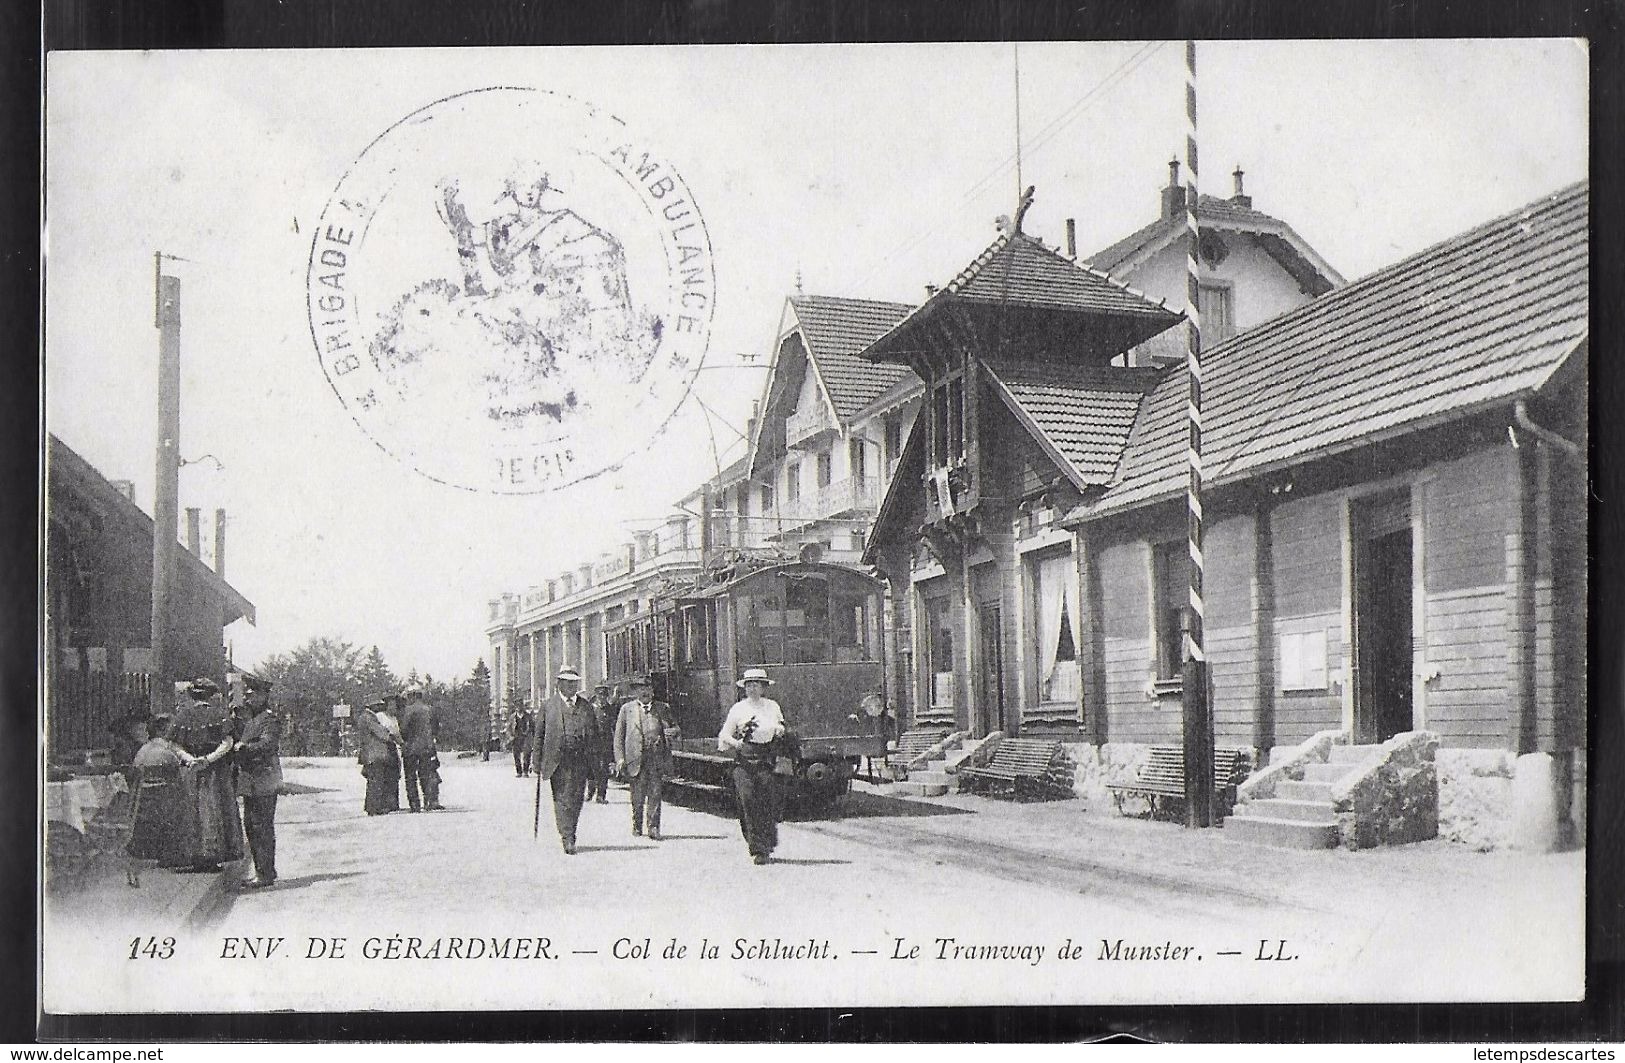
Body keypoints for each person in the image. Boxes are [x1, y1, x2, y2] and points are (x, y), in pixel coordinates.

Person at [171, 677, 244, 871]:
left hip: (191, 770)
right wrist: (209, 759)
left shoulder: (181, 716)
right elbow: (227, 743)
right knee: (213, 809)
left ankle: (193, 857)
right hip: (214, 770)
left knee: (192, 809)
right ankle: (212, 858)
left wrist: (190, 759)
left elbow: (174, 744)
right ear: (210, 696)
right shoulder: (219, 715)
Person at [718, 668, 789, 865]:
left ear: (764, 687)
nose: (752, 688)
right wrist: (736, 744)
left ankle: (765, 844)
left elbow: (782, 726)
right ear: (744, 688)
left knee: (767, 800)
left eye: (756, 684)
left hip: (766, 758)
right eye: (749, 685)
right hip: (744, 761)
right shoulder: (738, 709)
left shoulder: (772, 706)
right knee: (747, 800)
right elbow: (724, 735)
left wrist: (779, 730)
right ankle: (757, 846)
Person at [533, 667, 599, 855]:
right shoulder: (548, 706)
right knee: (562, 799)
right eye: (567, 682)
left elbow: (594, 737)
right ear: (559, 684)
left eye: (574, 683)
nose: (571, 686)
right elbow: (539, 735)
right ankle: (567, 837)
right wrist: (536, 761)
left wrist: (596, 763)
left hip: (580, 760)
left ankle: (571, 832)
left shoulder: (586, 707)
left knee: (577, 799)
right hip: (557, 761)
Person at [127, 714, 200, 870]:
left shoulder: (143, 750)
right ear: (163, 730)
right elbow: (179, 778)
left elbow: (134, 773)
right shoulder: (168, 751)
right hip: (164, 801)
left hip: (143, 800)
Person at [614, 675, 680, 840]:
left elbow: (675, 728)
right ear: (636, 692)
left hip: (655, 758)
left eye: (648, 688)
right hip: (635, 759)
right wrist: (620, 759)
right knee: (637, 795)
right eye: (641, 689)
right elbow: (618, 737)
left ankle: (654, 827)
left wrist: (673, 732)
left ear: (652, 690)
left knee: (655, 793)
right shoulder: (626, 709)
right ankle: (637, 824)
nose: (645, 692)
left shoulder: (662, 708)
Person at [233, 675, 282, 888]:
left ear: (263, 696)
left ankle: (265, 873)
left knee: (262, 826)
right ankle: (262, 871)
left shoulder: (269, 719)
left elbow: (268, 745)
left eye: (251, 694)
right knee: (251, 826)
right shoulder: (249, 719)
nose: (247, 697)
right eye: (246, 694)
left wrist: (245, 748)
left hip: (264, 778)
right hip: (250, 779)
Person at [355, 695, 403, 815]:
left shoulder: (365, 716)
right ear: (372, 705)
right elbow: (380, 733)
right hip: (375, 754)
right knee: (376, 781)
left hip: (370, 753)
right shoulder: (369, 717)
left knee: (374, 781)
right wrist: (391, 737)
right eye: (378, 705)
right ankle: (374, 807)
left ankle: (372, 806)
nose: (380, 707)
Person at [399, 686, 444, 812]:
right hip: (427, 747)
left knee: (410, 777)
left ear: (412, 696)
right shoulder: (430, 709)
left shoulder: (408, 710)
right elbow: (436, 729)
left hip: (411, 748)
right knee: (426, 774)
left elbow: (403, 729)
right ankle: (429, 801)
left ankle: (415, 805)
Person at [586, 682, 618, 803]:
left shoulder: (610, 709)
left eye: (604, 695)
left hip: (606, 743)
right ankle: (590, 792)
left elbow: (614, 725)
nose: (602, 697)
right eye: (600, 695)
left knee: (604, 770)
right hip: (592, 743)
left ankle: (601, 796)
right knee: (592, 769)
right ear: (596, 695)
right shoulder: (591, 709)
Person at [510, 706, 534, 777]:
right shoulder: (513, 717)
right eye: (517, 706)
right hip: (516, 737)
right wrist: (510, 736)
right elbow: (508, 727)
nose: (518, 708)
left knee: (527, 753)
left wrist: (533, 736)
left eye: (520, 705)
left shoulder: (528, 716)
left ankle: (525, 771)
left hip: (526, 737)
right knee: (516, 755)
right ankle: (519, 771)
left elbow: (533, 726)